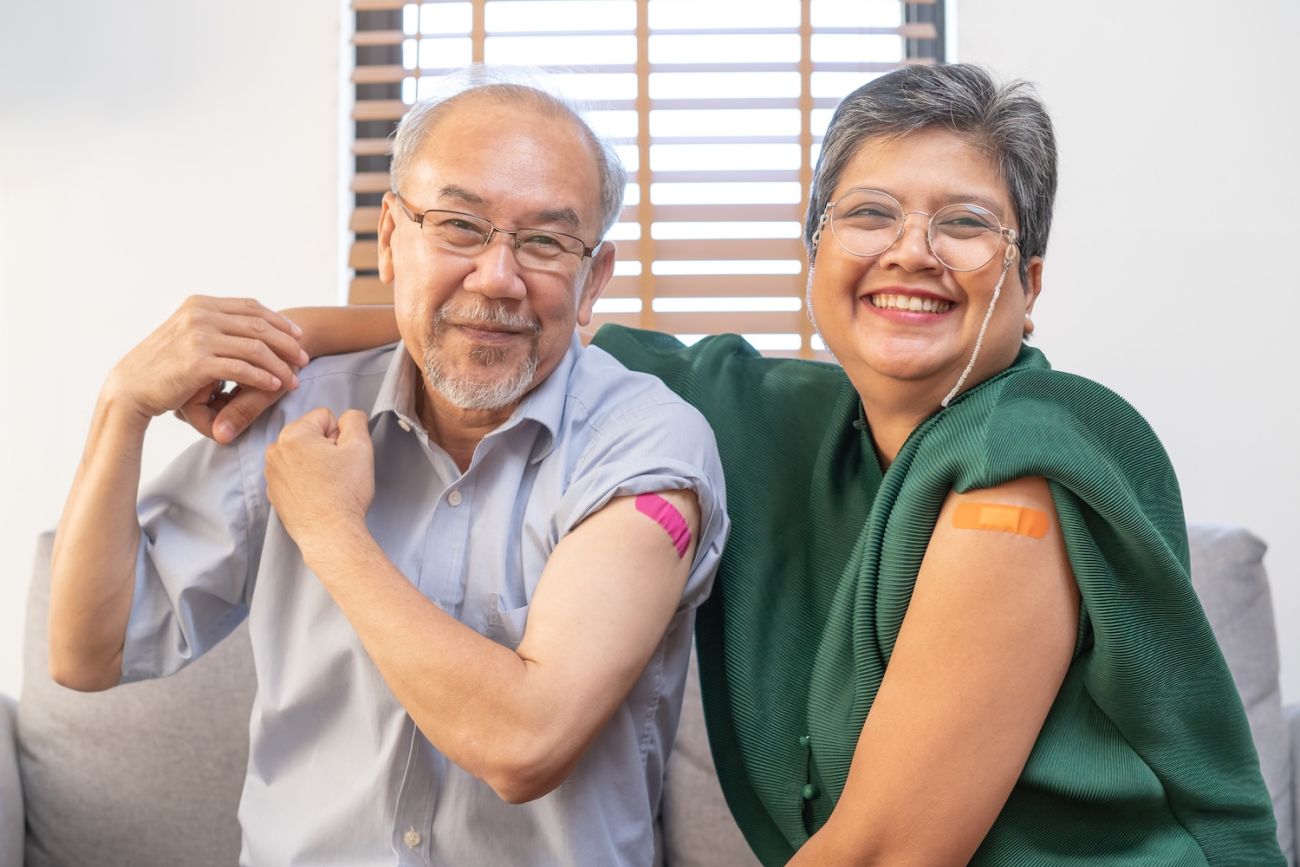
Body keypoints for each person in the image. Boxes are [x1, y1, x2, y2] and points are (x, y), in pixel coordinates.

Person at [197, 64, 1284, 864]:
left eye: (964, 224)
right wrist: (277, 343)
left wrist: (331, 523)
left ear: (1028, 283)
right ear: (813, 254)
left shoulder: (1029, 455)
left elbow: (884, 855)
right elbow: (518, 316)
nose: (911, 251)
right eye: (869, 215)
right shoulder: (773, 415)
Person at [47, 76, 728, 867]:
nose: (498, 275)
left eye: (544, 241)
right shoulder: (299, 408)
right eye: (459, 226)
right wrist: (121, 403)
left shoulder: (648, 448)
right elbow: (86, 653)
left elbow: (524, 742)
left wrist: (330, 529)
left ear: (594, 280)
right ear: (388, 239)